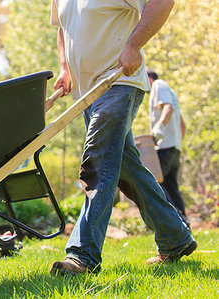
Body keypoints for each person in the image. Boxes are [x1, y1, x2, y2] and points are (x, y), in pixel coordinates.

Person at [48, 0, 196, 275]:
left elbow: (162, 2)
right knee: (129, 172)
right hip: (88, 95)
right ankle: (175, 238)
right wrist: (65, 67)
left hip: (118, 84)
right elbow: (63, 29)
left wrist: (133, 46)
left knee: (97, 165)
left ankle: (83, 255)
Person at [147, 70, 189, 227]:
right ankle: (185, 227)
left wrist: (159, 127)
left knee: (157, 186)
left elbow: (168, 108)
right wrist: (178, 143)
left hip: (164, 146)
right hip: (175, 147)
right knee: (172, 188)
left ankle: (174, 227)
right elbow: (182, 124)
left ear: (149, 78)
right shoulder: (170, 91)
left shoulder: (158, 85)